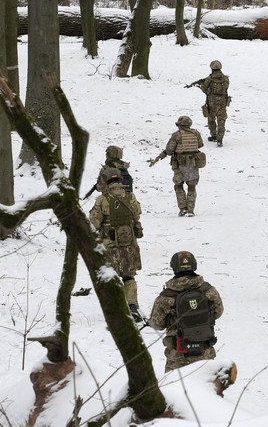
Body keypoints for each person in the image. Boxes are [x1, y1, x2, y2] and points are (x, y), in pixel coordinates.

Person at [149, 251, 224, 372]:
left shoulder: (165, 298)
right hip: (206, 355)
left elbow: (157, 324)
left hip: (178, 358)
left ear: (173, 267)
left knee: (174, 390)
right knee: (206, 389)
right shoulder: (209, 291)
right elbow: (218, 313)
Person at [89, 168, 145, 323]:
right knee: (129, 276)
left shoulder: (102, 199)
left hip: (110, 245)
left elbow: (94, 222)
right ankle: (132, 306)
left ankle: (115, 310)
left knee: (110, 277)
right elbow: (137, 212)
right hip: (129, 244)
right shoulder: (130, 195)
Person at [154, 116, 205, 217]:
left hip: (179, 164)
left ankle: (183, 209)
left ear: (180, 125)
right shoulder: (196, 133)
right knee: (192, 186)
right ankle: (191, 210)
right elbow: (200, 145)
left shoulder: (176, 135)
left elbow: (169, 150)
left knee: (178, 185)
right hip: (193, 163)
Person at [188, 60, 230, 147]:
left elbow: (205, 89)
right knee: (221, 120)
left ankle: (213, 135)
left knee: (211, 119)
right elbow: (226, 88)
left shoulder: (209, 79)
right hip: (223, 101)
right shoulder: (226, 78)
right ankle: (220, 139)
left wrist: (200, 86)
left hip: (212, 102)